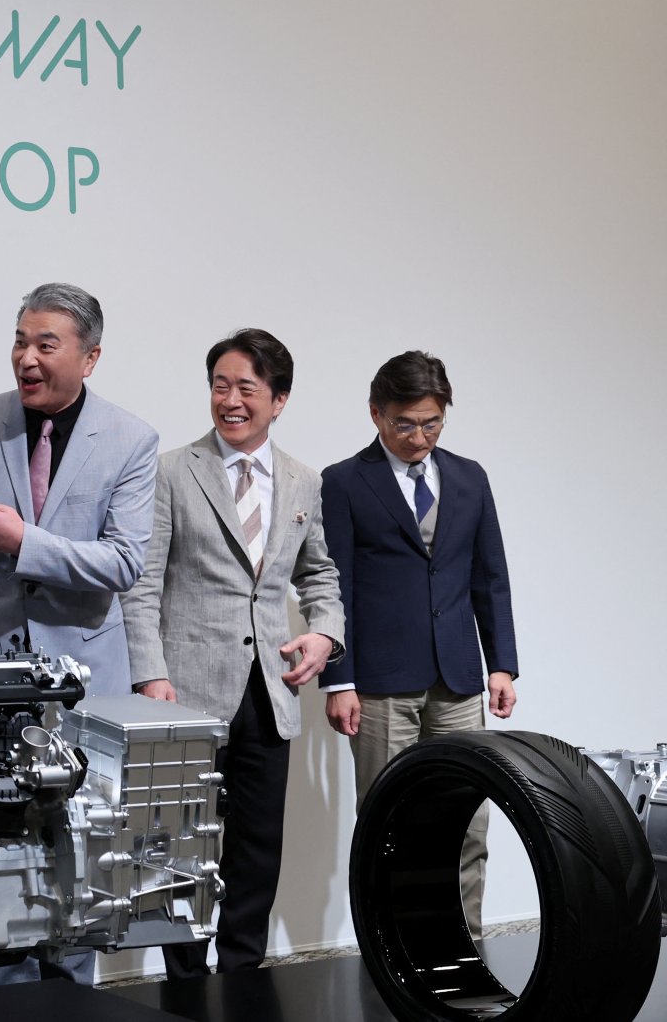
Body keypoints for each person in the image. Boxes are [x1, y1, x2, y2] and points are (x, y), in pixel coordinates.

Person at [0, 282, 158, 985]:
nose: (27, 358)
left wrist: (24, 541)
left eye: (46, 343)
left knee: (79, 860)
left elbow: (125, 561)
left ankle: (71, 998)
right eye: (20, 340)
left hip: (86, 686)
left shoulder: (131, 439)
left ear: (90, 356)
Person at [122, 328, 345, 977]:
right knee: (179, 848)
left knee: (256, 848)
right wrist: (150, 674)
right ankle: (187, 981)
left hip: (269, 693)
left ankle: (242, 973)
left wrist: (324, 634)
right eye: (220, 385)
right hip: (185, 691)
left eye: (246, 387)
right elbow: (142, 582)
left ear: (279, 399)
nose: (230, 399)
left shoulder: (303, 481)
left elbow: (322, 579)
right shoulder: (171, 469)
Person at [320, 350, 517, 939]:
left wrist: (502, 666)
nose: (419, 436)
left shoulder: (469, 477)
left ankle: (466, 949)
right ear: (377, 415)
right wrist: (340, 679)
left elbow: (490, 576)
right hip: (379, 685)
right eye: (405, 423)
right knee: (388, 824)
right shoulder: (344, 482)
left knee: (468, 821)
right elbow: (334, 588)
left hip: (458, 678)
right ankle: (392, 954)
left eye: (432, 423)